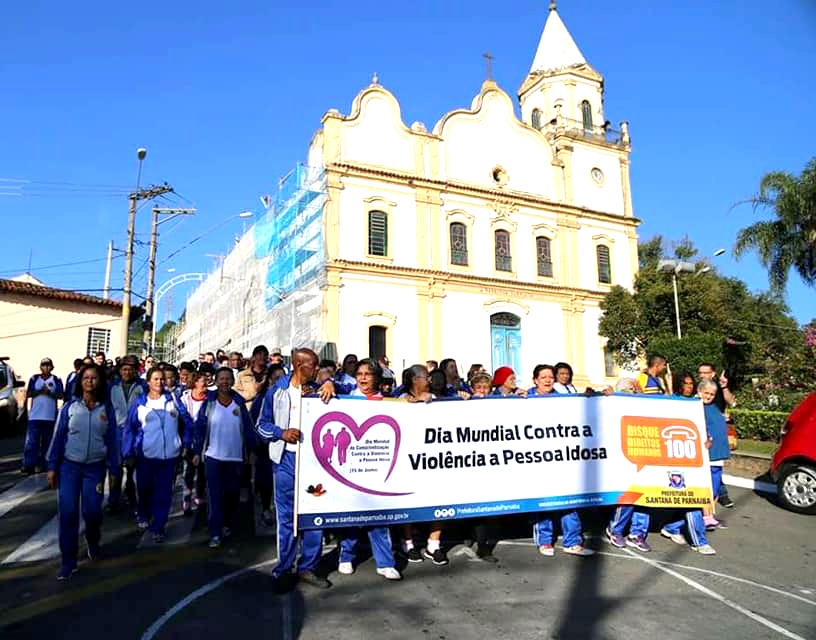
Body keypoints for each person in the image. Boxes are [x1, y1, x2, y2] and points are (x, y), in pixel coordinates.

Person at [256, 348, 337, 590]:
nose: (317, 369)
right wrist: (281, 433)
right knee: (287, 518)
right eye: (313, 365)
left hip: (314, 464)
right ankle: (283, 569)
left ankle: (308, 568)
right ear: (300, 366)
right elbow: (261, 426)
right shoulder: (277, 391)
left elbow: (346, 389)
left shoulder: (320, 388)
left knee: (315, 515)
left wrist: (331, 383)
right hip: (285, 462)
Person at [46, 363, 119, 580]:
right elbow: (58, 438)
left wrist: (114, 469)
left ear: (99, 382)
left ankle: (93, 540)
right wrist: (52, 467)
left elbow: (112, 440)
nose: (90, 381)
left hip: (95, 469)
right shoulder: (69, 407)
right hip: (69, 467)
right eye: (86, 378)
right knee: (68, 514)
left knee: (92, 512)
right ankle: (68, 561)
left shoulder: (106, 409)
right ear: (80, 382)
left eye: (94, 378)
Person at [336, 359, 401, 580]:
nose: (363, 378)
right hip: (351, 467)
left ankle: (385, 562)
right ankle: (346, 556)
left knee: (378, 518)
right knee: (351, 517)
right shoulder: (346, 396)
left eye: (368, 374)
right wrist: (327, 383)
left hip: (377, 468)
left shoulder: (388, 402)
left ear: (376, 377)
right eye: (360, 374)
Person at [122, 367, 193, 543]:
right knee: (145, 489)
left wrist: (185, 443)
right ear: (148, 382)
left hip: (170, 455)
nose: (160, 382)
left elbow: (188, 422)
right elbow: (129, 429)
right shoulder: (140, 403)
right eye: (155, 379)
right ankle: (144, 513)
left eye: (162, 379)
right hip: (146, 455)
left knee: (164, 493)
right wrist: (128, 452)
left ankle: (159, 526)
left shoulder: (174, 400)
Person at [195, 367, 257, 548]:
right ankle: (215, 532)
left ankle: (225, 523)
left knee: (232, 494)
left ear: (232, 381)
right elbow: (200, 428)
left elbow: (248, 429)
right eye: (221, 379)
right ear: (216, 380)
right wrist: (197, 452)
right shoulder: (209, 402)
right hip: (213, 457)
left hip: (235, 458)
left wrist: (252, 451)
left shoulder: (238, 403)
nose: (224, 382)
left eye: (228, 379)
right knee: (215, 496)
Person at [398, 365, 447, 565]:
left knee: (439, 499)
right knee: (408, 500)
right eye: (425, 377)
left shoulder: (436, 400)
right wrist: (416, 403)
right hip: (407, 458)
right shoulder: (400, 399)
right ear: (414, 380)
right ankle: (408, 543)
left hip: (433, 457)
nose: (429, 381)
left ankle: (433, 544)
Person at [108, 356, 147, 513]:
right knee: (115, 468)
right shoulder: (112, 387)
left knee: (133, 467)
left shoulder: (142, 386)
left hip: (135, 431)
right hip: (117, 431)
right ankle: (113, 500)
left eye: (131, 369)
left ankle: (132, 496)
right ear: (119, 370)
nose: (127, 372)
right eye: (124, 369)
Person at [697, 362, 736, 508]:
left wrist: (724, 386)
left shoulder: (718, 390)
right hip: (704, 445)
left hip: (717, 445)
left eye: (705, 373)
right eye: (700, 373)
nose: (702, 375)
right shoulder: (698, 393)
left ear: (713, 373)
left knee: (715, 473)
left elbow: (731, 402)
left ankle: (715, 502)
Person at [22, 358, 64, 475]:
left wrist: (49, 393)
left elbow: (61, 395)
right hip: (35, 416)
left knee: (47, 443)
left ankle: (44, 465)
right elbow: (29, 393)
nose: (46, 367)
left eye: (48, 365)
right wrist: (40, 391)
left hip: (49, 417)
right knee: (31, 443)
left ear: (52, 367)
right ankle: (29, 465)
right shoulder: (34, 378)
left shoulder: (56, 379)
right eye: (44, 365)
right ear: (40, 367)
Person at [699, 379, 731, 527]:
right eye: (706, 393)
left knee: (716, 486)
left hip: (718, 454)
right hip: (707, 455)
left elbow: (730, 402)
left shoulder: (714, 406)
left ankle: (710, 514)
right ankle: (705, 517)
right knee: (707, 487)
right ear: (699, 392)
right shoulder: (695, 407)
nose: (709, 396)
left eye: (712, 394)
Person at [180, 372, 209, 515]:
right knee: (189, 471)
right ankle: (186, 498)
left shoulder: (210, 399)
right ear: (195, 382)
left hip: (205, 441)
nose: (205, 384)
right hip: (189, 441)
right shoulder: (185, 399)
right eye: (203, 381)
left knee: (203, 471)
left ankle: (199, 495)